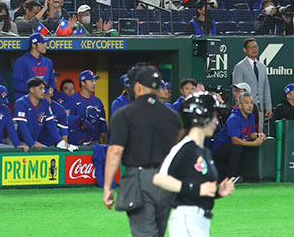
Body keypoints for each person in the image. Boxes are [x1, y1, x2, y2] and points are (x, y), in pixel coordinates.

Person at [103, 65, 182, 237]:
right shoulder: (172, 116)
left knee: (145, 233)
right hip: (167, 181)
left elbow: (115, 151)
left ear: (137, 86)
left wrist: (108, 186)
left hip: (140, 179)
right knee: (158, 233)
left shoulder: (125, 113)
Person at [153, 93, 236, 237]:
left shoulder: (204, 151)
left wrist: (217, 193)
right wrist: (197, 189)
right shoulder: (185, 147)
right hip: (187, 218)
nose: (216, 122)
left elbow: (199, 189)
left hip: (200, 219)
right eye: (214, 116)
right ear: (200, 117)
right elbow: (160, 178)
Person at [211, 92, 266, 179]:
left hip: (232, 147)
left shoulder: (251, 116)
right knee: (237, 147)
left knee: (239, 148)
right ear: (240, 105)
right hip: (219, 148)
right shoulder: (234, 118)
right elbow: (235, 140)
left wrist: (259, 135)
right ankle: (231, 177)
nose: (250, 105)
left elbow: (250, 134)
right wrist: (253, 144)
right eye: (246, 103)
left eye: (251, 103)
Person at [231, 39, 272, 129]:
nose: (254, 49)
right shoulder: (239, 67)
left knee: (258, 135)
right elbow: (236, 90)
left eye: (256, 46)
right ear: (245, 50)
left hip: (260, 109)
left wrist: (268, 107)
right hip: (246, 109)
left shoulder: (262, 67)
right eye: (251, 47)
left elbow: (266, 88)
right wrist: (240, 108)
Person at [13, 77, 62, 149]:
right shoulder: (21, 103)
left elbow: (51, 124)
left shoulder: (45, 102)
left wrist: (60, 142)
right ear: (32, 90)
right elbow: (23, 126)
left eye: (44, 88)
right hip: (18, 142)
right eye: (40, 88)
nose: (44, 91)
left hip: (34, 141)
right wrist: (31, 143)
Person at [66, 70, 108, 146]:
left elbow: (103, 126)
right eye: (91, 81)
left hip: (94, 143)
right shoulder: (72, 100)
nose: (94, 83)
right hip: (76, 144)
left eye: (95, 81)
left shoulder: (98, 101)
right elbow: (67, 123)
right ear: (83, 83)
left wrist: (106, 145)